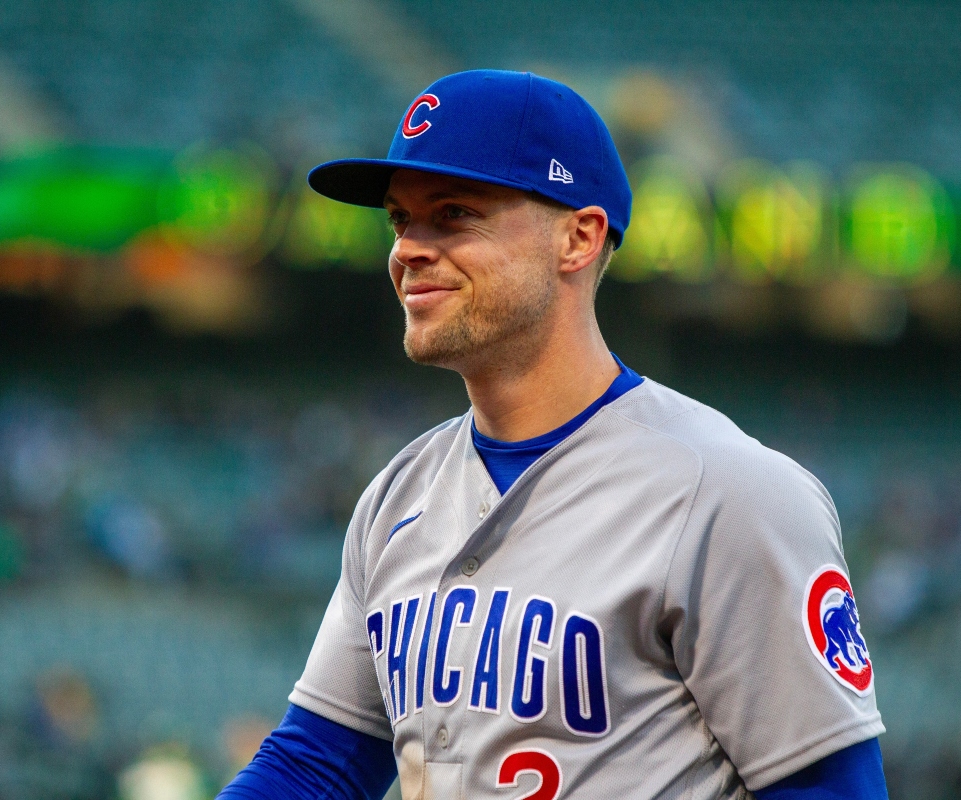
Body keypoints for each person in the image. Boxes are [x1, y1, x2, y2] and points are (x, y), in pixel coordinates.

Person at [219, 70, 887, 800]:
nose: (409, 248)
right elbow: (315, 766)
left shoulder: (729, 492)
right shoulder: (395, 497)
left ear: (579, 236)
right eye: (400, 220)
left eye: (454, 213)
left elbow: (829, 789)